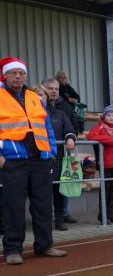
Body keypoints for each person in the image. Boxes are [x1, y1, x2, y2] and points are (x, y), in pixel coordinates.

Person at [0, 57, 67, 265]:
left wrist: (51, 151)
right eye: (13, 73)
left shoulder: (34, 97)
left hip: (40, 159)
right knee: (13, 207)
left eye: (21, 73)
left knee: (43, 205)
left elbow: (46, 126)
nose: (18, 77)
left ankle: (44, 245)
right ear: (5, 75)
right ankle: (12, 249)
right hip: (13, 161)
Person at [42, 78, 77, 231]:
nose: (54, 91)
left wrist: (70, 138)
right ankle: (44, 222)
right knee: (43, 192)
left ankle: (60, 220)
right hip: (41, 159)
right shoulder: (36, 111)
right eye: (50, 88)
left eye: (56, 89)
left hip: (59, 158)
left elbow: (69, 129)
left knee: (59, 191)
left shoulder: (61, 113)